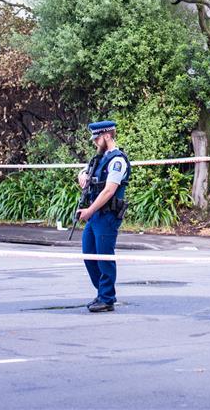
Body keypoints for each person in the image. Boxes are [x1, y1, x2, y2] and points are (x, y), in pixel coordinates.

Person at [76, 120, 131, 313]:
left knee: (104, 257)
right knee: (88, 254)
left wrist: (89, 210)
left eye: (97, 138)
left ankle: (107, 298)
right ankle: (102, 293)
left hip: (107, 216)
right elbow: (86, 170)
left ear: (107, 136)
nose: (94, 142)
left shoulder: (117, 160)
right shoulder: (100, 158)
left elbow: (108, 191)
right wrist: (82, 175)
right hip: (95, 215)